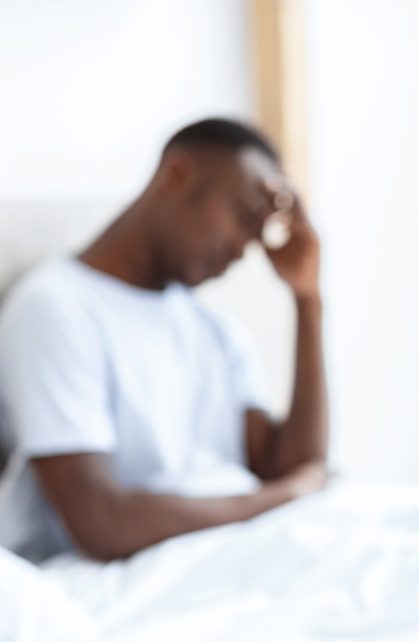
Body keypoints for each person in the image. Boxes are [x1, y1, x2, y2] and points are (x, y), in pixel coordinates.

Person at [0, 118, 329, 563]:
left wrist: (307, 300)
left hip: (247, 549)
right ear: (177, 176)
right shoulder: (56, 307)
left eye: (258, 234)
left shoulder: (210, 326)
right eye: (243, 218)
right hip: (139, 575)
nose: (243, 249)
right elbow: (101, 523)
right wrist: (280, 500)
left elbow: (291, 467)